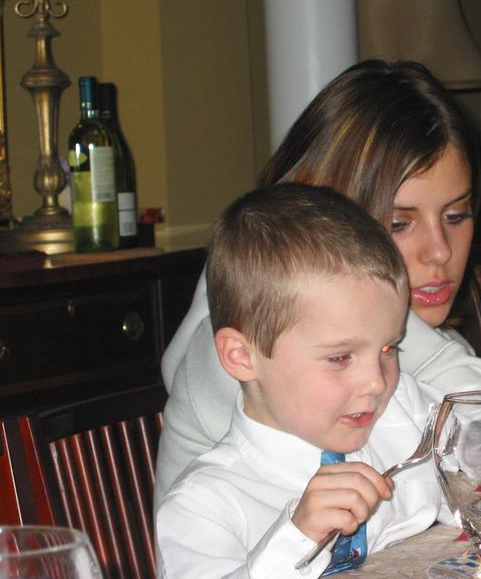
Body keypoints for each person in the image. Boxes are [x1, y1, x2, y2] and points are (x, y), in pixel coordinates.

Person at [155, 59, 481, 507]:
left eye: (456, 216)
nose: (439, 251)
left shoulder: (377, 343)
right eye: (399, 223)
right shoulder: (256, 342)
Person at [157, 183, 450, 578]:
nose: (377, 383)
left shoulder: (403, 413)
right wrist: (297, 537)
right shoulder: (204, 506)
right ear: (242, 356)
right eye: (340, 357)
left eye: (388, 349)